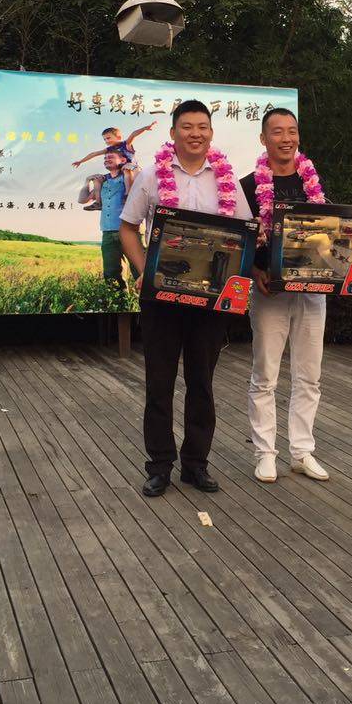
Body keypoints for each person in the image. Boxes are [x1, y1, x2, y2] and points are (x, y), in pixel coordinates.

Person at [120, 100, 252, 497]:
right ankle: (159, 466)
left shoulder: (226, 178)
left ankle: (196, 464)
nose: (195, 133)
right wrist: (144, 271)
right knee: (159, 382)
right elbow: (127, 228)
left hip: (209, 301)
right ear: (173, 133)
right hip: (162, 298)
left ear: (211, 133)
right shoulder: (150, 176)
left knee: (201, 383)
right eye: (187, 126)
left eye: (202, 127)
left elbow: (246, 232)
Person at [240, 108, 330, 485]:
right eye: (277, 132)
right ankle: (264, 453)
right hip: (269, 292)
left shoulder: (312, 181)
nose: (286, 138)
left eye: (292, 131)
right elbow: (240, 241)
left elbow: (331, 233)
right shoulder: (248, 186)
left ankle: (302, 452)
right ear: (264, 139)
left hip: (312, 292)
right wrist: (255, 271)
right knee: (265, 375)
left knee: (310, 375)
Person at [79, 150, 130, 280]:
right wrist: (87, 181)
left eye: (110, 157)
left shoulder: (129, 176)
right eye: (105, 158)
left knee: (140, 269)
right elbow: (82, 200)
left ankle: (145, 294)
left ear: (123, 160)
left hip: (129, 230)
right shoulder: (103, 183)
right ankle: (117, 294)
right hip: (108, 231)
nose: (106, 159)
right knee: (111, 273)